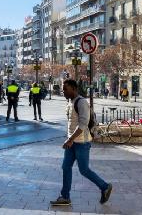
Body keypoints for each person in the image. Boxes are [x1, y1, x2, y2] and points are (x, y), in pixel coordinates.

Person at [50, 79, 112, 207]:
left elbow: (83, 124)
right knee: (66, 167)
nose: (63, 91)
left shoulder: (81, 102)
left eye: (65, 89)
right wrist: (69, 139)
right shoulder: (70, 102)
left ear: (73, 88)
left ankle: (105, 186)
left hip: (81, 143)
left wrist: (70, 139)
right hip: (71, 142)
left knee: (84, 170)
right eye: (63, 89)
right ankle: (65, 197)